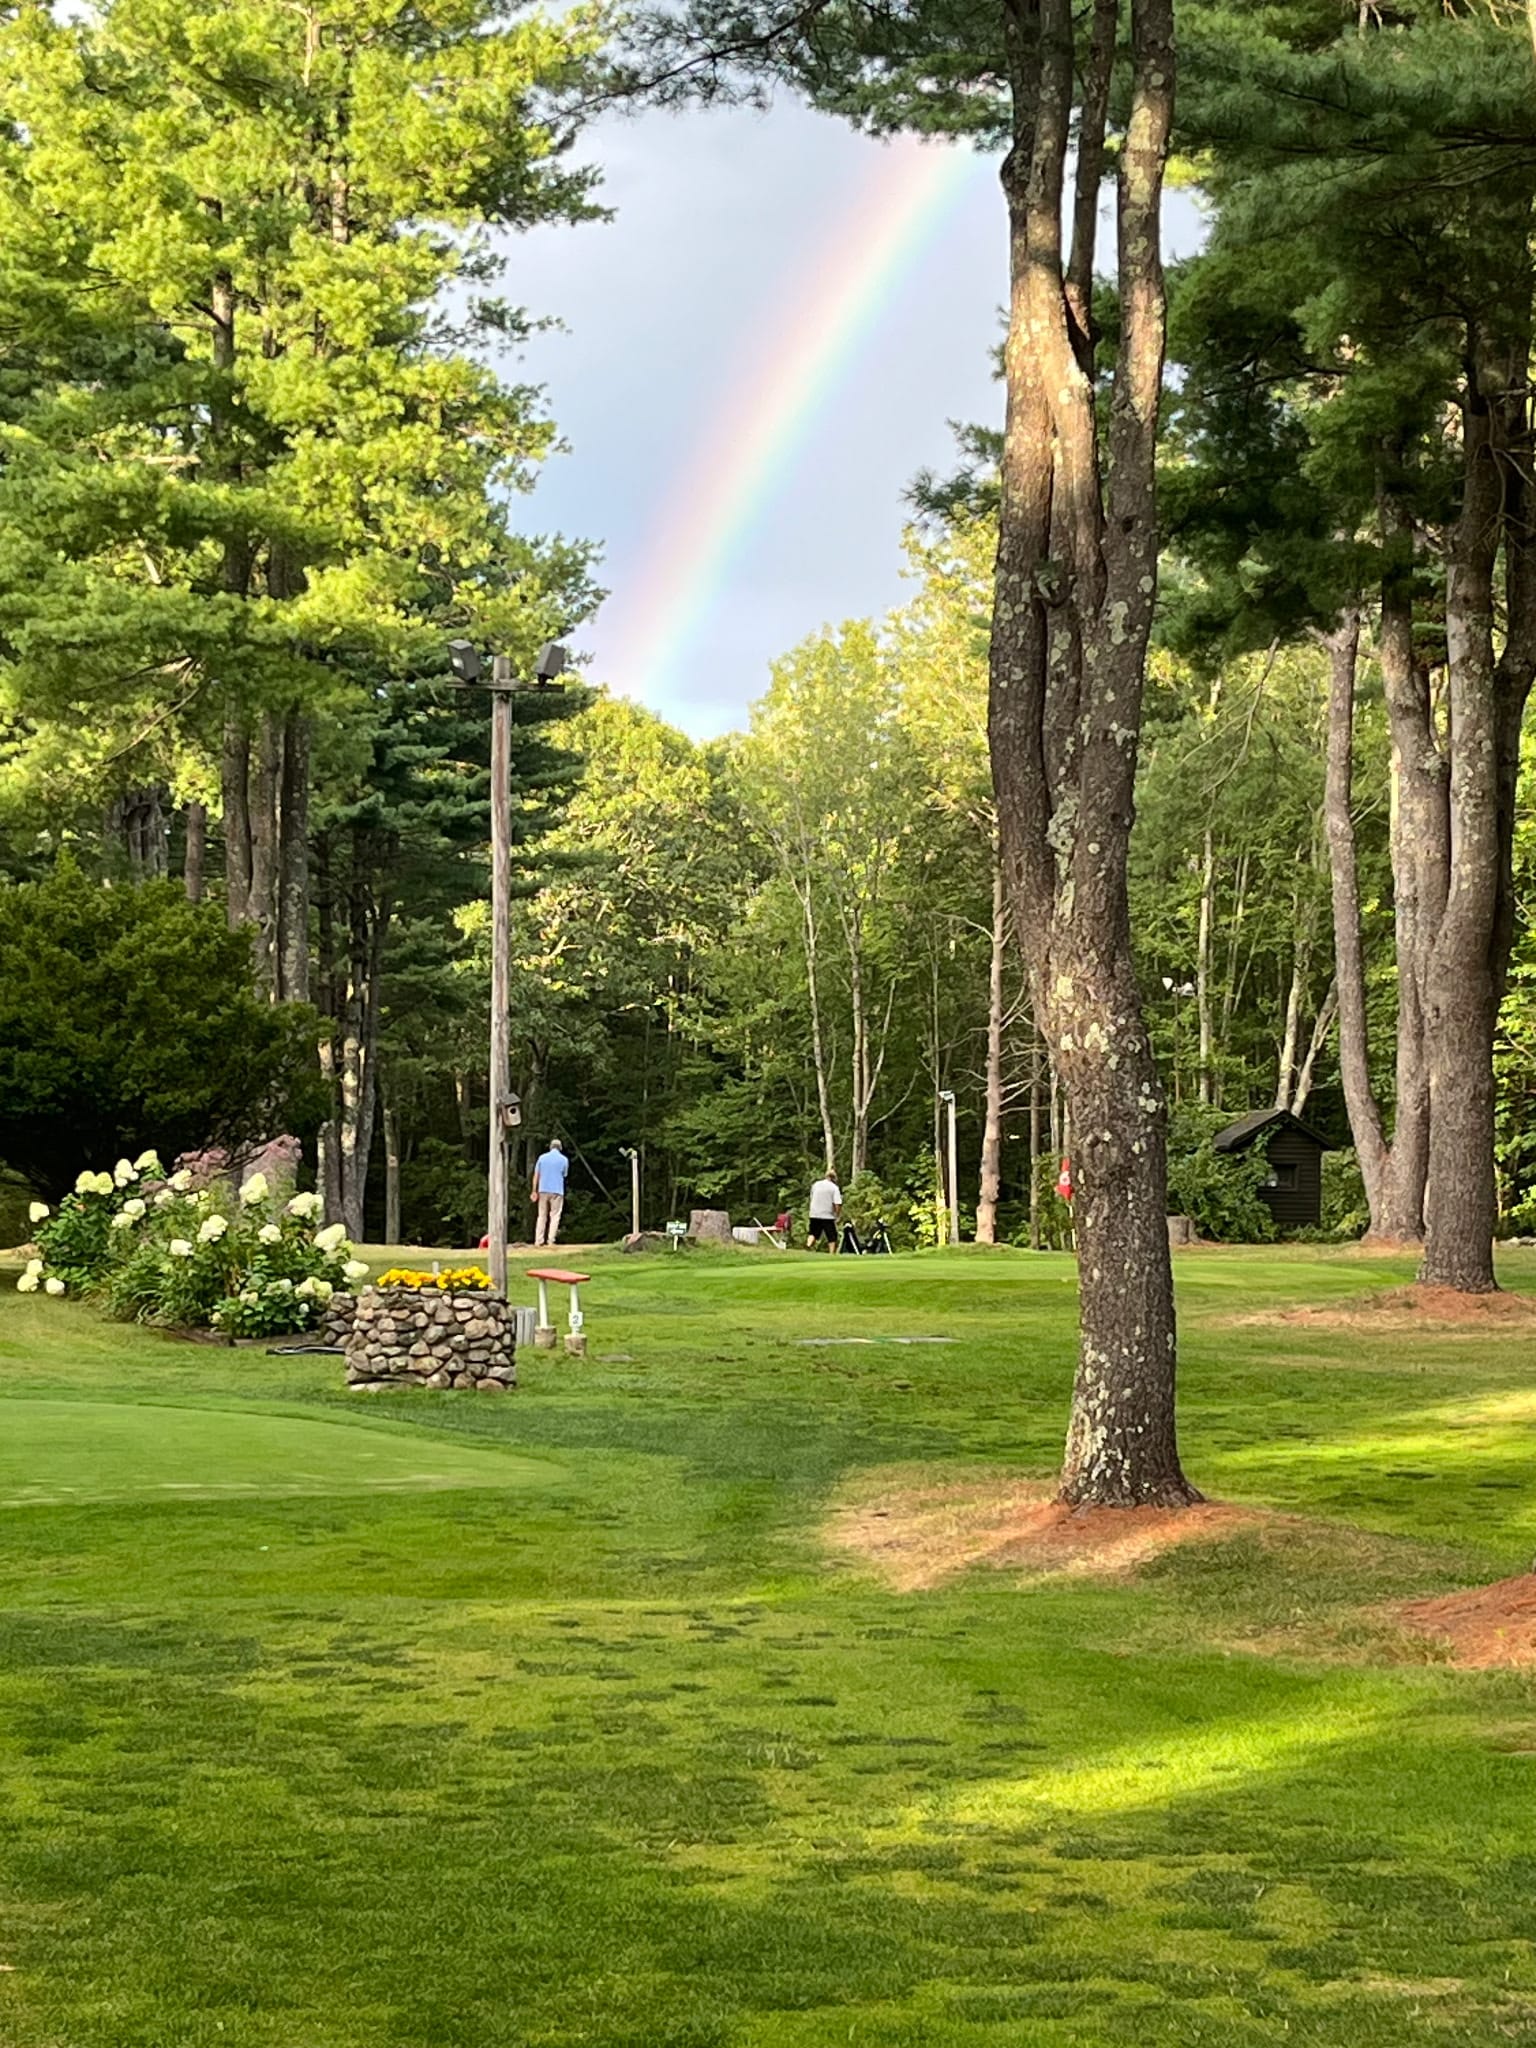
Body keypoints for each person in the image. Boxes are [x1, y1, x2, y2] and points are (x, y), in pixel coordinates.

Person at [531, 1139, 569, 1248]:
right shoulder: (564, 1160)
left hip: (543, 1189)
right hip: (557, 1190)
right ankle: (551, 1240)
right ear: (560, 1148)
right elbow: (564, 1174)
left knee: (541, 1215)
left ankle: (538, 1240)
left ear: (550, 1147)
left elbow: (536, 1175)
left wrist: (534, 1190)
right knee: (555, 1215)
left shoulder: (542, 1158)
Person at [806, 1169, 842, 1251]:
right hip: (827, 1215)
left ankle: (808, 1246)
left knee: (813, 1233)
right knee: (831, 1236)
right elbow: (837, 1203)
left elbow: (812, 1197)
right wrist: (837, 1215)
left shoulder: (816, 1184)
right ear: (834, 1178)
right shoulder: (834, 1188)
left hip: (814, 1213)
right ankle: (832, 1254)